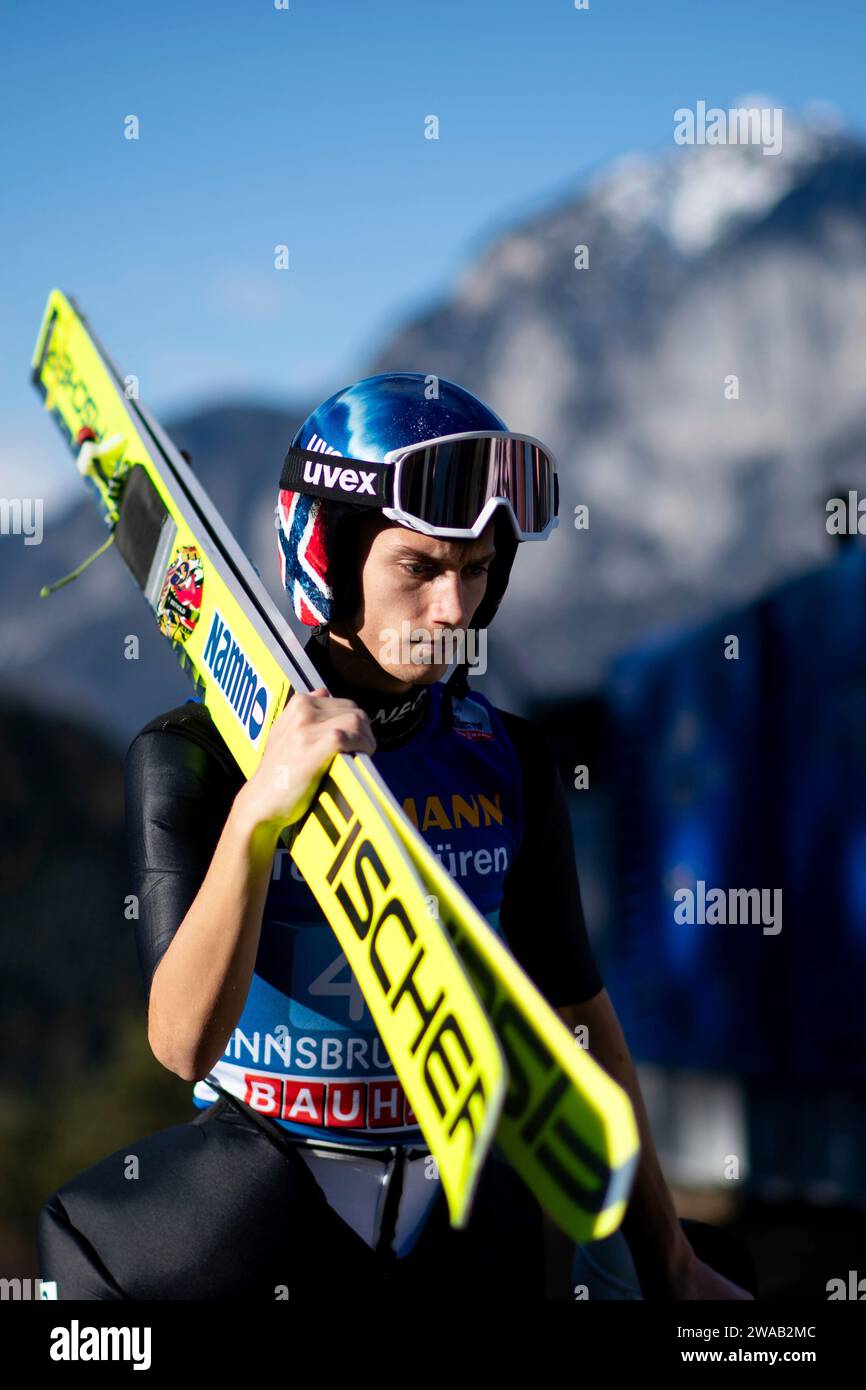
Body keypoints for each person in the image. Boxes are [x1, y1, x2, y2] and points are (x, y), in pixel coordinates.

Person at [37, 373, 755, 1300]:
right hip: (264, 1199)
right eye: (419, 569)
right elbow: (181, 1043)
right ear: (326, 558)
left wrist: (673, 1263)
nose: (455, 610)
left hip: (461, 1211)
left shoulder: (508, 759)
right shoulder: (195, 755)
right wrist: (260, 816)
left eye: (478, 569)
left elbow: (581, 1022)